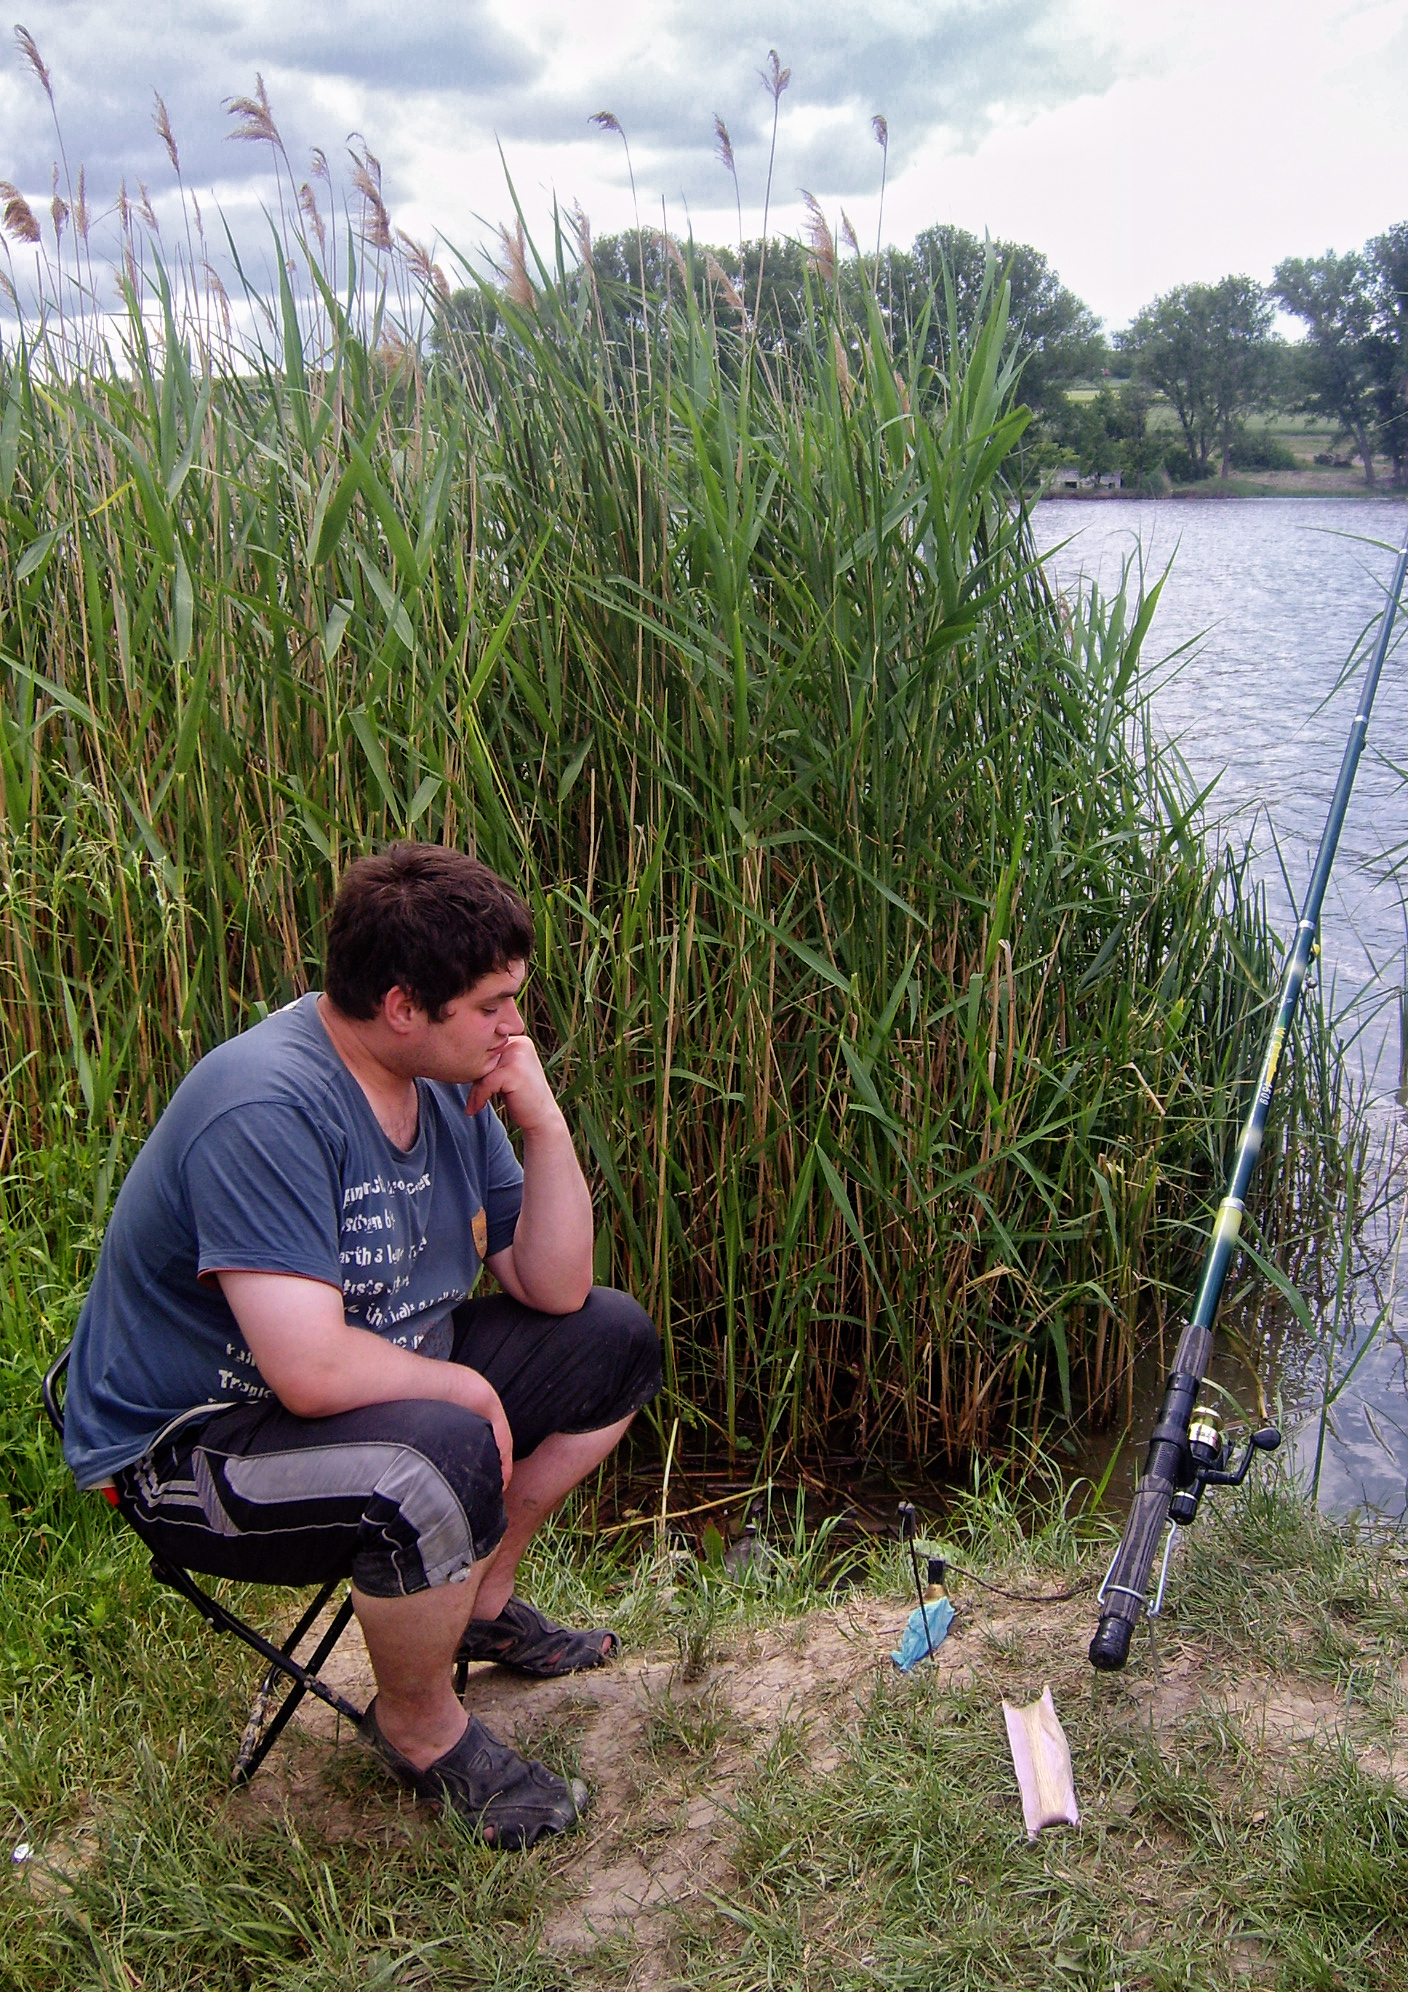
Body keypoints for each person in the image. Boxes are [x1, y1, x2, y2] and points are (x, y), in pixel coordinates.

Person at [62, 843, 661, 1848]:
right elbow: (308, 1370)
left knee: (611, 1339)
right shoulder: (265, 1104)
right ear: (400, 1006)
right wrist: (468, 1392)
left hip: (358, 1384)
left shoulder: (442, 1077)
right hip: (194, 1445)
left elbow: (550, 1285)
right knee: (442, 1449)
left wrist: (544, 1123)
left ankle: (477, 1603)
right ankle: (418, 1726)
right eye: (492, 1005)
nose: (514, 1027)